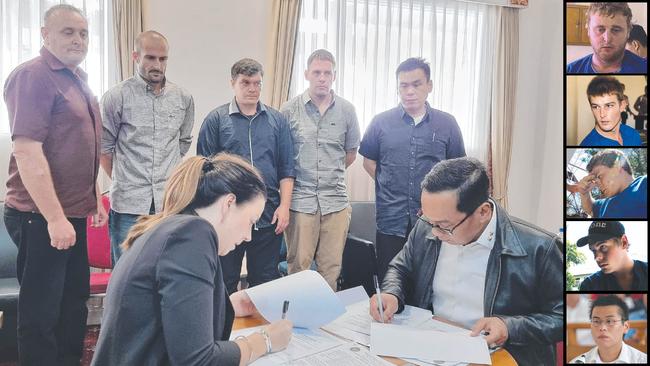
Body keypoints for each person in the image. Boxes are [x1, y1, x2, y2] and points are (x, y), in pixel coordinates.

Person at [91, 154, 293, 365]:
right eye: (250, 221)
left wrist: (229, 305)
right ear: (229, 203)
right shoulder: (193, 234)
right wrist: (264, 341)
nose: (248, 236)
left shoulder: (174, 228)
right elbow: (197, 360)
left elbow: (169, 313)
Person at [368, 157, 563, 365]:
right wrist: (391, 293)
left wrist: (509, 327)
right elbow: (401, 268)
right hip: (430, 343)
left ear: (483, 212)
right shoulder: (428, 226)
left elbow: (562, 317)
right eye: (428, 219)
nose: (434, 232)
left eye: (444, 225)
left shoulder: (540, 247)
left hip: (500, 352)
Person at [2, 4, 108, 365]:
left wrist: (93, 196)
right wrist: (54, 219)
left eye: (83, 33)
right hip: (40, 217)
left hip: (72, 213)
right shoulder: (33, 76)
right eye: (67, 32)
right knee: (41, 315)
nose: (78, 39)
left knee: (73, 306)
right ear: (45, 35)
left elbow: (79, 144)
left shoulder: (77, 78)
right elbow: (28, 152)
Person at [359, 57, 466, 279]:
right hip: (391, 218)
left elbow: (458, 171)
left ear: (429, 86)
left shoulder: (447, 124)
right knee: (391, 278)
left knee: (428, 280)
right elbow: (368, 161)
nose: (409, 91)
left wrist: (438, 202)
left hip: (433, 221)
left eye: (416, 84)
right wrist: (387, 184)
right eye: (403, 85)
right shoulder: (380, 122)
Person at [197, 58, 295, 294]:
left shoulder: (277, 121)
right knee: (225, 281)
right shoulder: (216, 120)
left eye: (257, 83)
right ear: (233, 83)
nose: (253, 88)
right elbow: (204, 171)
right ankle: (224, 330)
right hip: (229, 217)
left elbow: (286, 167)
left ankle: (262, 331)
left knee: (265, 282)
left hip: (268, 214)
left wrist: (285, 207)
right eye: (246, 83)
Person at [100, 30, 194, 265]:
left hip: (168, 204)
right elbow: (104, 148)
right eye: (150, 58)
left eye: (162, 59)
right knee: (127, 271)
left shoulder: (183, 98)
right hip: (128, 204)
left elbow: (182, 142)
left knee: (167, 269)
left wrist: (166, 172)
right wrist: (124, 178)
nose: (157, 65)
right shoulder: (116, 97)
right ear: (136, 56)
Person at [280, 49, 360, 290]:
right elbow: (283, 157)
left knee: (331, 268)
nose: (322, 78)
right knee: (298, 268)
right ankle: (294, 324)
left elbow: (350, 154)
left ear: (334, 76)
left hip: (335, 202)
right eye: (317, 72)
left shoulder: (347, 110)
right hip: (301, 202)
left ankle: (326, 325)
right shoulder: (289, 110)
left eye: (327, 73)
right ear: (307, 74)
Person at [566, 2, 647, 74]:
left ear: (628, 32)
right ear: (588, 30)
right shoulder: (569, 71)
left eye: (616, 30)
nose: (607, 39)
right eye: (600, 30)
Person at [570, 295, 647, 363]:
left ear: (625, 326)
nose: (602, 328)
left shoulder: (642, 360)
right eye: (596, 321)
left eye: (610, 321)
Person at [572, 149, 647, 218]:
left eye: (600, 176)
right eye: (595, 181)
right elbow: (590, 209)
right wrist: (584, 193)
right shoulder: (604, 204)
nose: (598, 185)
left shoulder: (643, 183)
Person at [577, 221, 647, 291]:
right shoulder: (590, 285)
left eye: (603, 247)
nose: (596, 258)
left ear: (624, 242)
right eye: (593, 251)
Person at [579, 76, 642, 146]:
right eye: (596, 107)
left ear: (622, 106)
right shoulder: (588, 145)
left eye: (609, 105)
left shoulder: (634, 135)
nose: (602, 114)